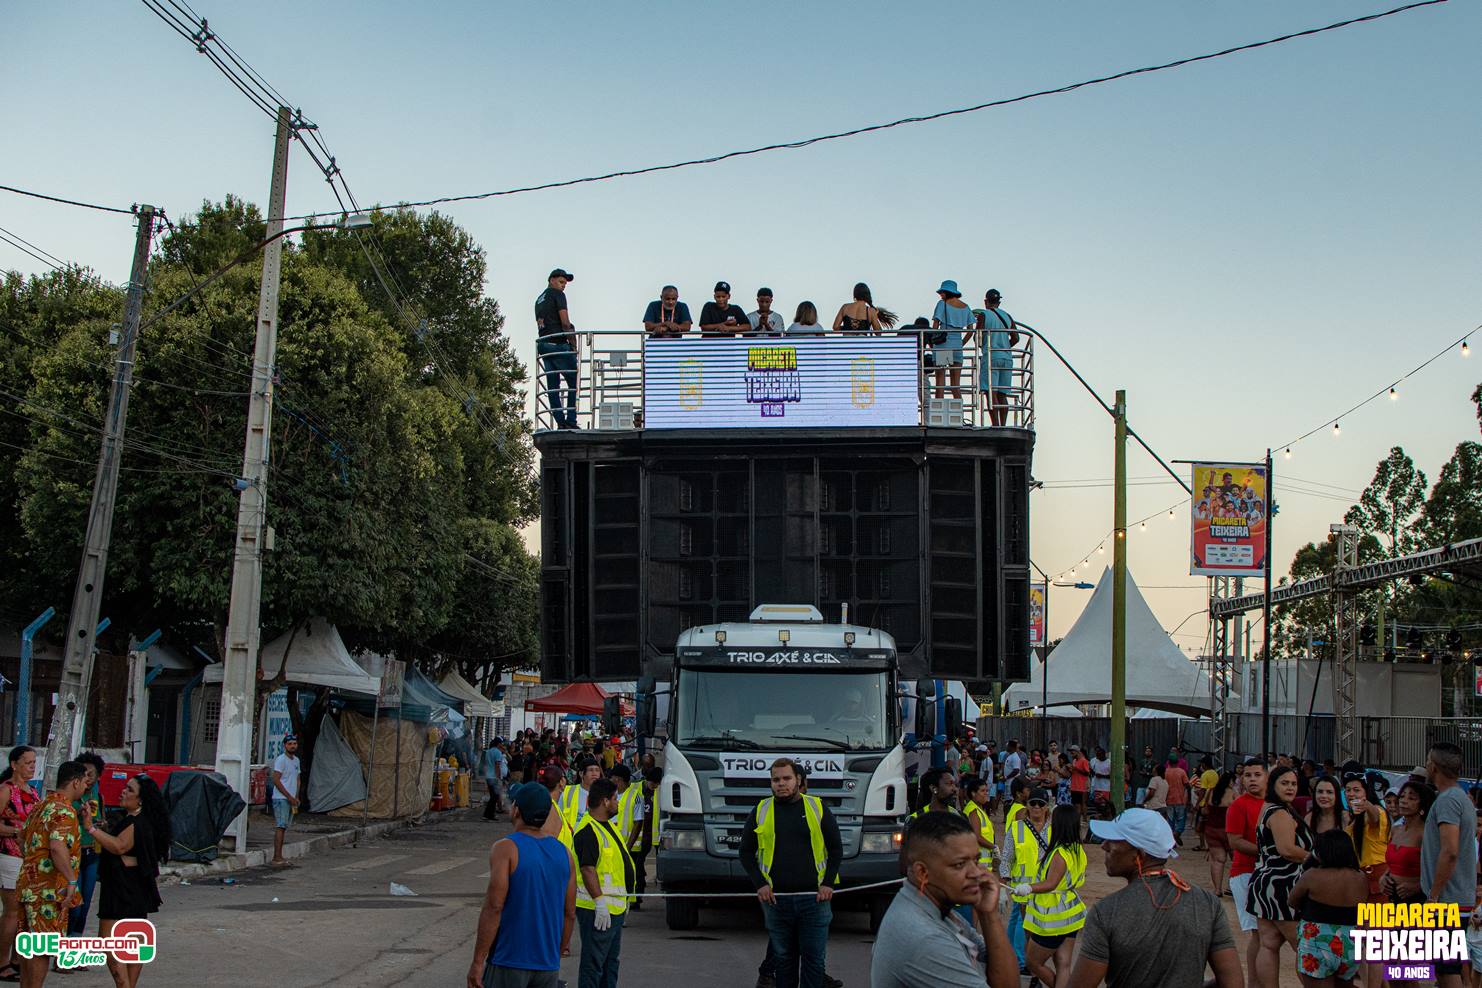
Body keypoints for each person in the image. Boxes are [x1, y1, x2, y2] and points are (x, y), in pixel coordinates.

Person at [1070, 808, 1241, 988]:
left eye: (1114, 840)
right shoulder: (1207, 903)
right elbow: (1233, 982)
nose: (1104, 846)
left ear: (1139, 855)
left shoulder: (1105, 912)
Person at [870, 811, 1019, 988]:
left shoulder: (937, 911)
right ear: (922, 873)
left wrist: (989, 915)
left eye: (976, 860)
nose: (976, 873)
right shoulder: (926, 939)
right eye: (959, 864)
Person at [739, 759, 842, 988]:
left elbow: (836, 849)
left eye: (786, 778)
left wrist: (827, 883)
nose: (781, 784)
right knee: (784, 961)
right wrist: (760, 884)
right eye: (775, 779)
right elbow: (745, 852)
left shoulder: (817, 807)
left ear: (798, 780)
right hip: (777, 902)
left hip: (814, 901)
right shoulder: (761, 810)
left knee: (814, 962)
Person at [467, 782, 577, 988]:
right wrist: (556, 953)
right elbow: (569, 912)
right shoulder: (565, 854)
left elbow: (494, 907)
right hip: (547, 965)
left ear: (516, 810)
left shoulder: (506, 848)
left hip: (509, 960)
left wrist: (478, 961)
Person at [84, 773, 170, 988]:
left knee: (109, 940)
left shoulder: (137, 822)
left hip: (122, 888)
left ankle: (124, 985)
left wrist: (91, 828)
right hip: (134, 887)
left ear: (140, 799)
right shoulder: (139, 820)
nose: (123, 792)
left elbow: (119, 846)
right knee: (133, 942)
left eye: (130, 789)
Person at [15, 759, 88, 988]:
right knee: (43, 949)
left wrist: (34, 862)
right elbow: (57, 847)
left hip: (28, 887)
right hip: (48, 891)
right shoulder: (65, 811)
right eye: (84, 783)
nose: (85, 788)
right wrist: (71, 879)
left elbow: (21, 838)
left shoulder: (41, 805)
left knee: (28, 948)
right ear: (75, 782)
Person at [1249, 764, 1313, 988]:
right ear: (1273, 785)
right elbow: (1287, 849)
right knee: (1303, 945)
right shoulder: (1279, 813)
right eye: (1284, 783)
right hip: (1283, 885)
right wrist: (1316, 858)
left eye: (1293, 783)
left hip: (1265, 882)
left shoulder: (1270, 808)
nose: (1290, 788)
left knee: (1268, 943)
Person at [1423, 742, 1477, 988]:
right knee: (1444, 966)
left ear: (1434, 766)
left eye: (1428, 760)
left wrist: (1433, 895)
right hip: (1454, 897)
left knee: (1446, 968)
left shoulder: (1449, 800)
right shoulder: (1459, 798)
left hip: (1447, 900)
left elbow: (1450, 851)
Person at [572, 779, 634, 988]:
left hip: (613, 908)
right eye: (615, 798)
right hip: (597, 911)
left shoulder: (607, 827)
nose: (618, 802)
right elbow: (587, 869)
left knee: (609, 964)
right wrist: (599, 903)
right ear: (605, 801)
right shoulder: (588, 831)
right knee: (594, 964)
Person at [1017, 804, 1085, 988]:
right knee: (1063, 964)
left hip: (1052, 917)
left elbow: (1051, 883)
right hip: (1070, 912)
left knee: (1032, 962)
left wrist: (1028, 888)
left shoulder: (1059, 853)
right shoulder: (1077, 849)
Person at [1289, 829, 1368, 988]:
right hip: (1350, 943)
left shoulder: (1312, 875)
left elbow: (1292, 901)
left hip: (1318, 941)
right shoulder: (1360, 877)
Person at [0, 745, 41, 982]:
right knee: (12, 911)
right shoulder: (6, 790)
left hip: (30, 858)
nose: (32, 767)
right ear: (15, 765)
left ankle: (17, 959)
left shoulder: (32, 791)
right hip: (10, 854)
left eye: (34, 763)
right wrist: (16, 831)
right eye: (27, 763)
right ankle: (2, 962)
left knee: (25, 912)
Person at [1001, 787, 1052, 973]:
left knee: (1020, 921)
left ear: (1047, 807)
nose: (1037, 807)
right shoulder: (1017, 828)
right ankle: (1021, 962)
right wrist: (1003, 887)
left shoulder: (1053, 829)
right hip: (1022, 887)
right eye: (1033, 803)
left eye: (1041, 804)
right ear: (1027, 805)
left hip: (1044, 887)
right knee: (1024, 924)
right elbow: (1007, 857)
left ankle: (1012, 957)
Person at [1227, 758, 1268, 980]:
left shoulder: (1273, 804)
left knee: (1267, 936)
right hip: (1246, 874)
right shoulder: (1239, 805)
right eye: (1248, 775)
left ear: (1266, 777)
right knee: (1259, 934)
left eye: (1257, 775)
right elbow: (1235, 841)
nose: (1252, 779)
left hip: (1268, 874)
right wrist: (1269, 852)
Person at [66, 752, 105, 946]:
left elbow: (100, 820)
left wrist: (101, 823)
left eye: (92, 774)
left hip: (92, 853)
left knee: (86, 903)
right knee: (75, 905)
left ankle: (75, 946)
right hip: (74, 853)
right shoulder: (72, 795)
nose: (88, 778)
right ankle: (64, 947)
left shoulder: (98, 795)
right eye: (84, 774)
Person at [535, 268, 579, 429]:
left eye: (565, 283)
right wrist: (573, 344)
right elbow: (565, 323)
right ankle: (571, 420)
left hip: (544, 344)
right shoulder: (558, 295)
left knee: (553, 386)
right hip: (558, 344)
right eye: (561, 282)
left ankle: (560, 422)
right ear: (551, 280)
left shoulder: (539, 299)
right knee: (573, 380)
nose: (563, 285)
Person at [969, 289, 1019, 426]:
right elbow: (1016, 337)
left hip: (991, 356)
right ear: (999, 302)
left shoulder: (984, 315)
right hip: (1007, 358)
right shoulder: (1008, 316)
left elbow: (977, 337)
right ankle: (1003, 424)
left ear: (986, 301)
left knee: (991, 393)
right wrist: (1005, 346)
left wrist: (984, 345)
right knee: (1003, 394)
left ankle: (995, 424)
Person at [1381, 779, 1433, 906]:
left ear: (1423, 805)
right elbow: (1393, 863)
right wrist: (1384, 877)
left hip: (1418, 901)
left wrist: (1418, 886)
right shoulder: (1395, 830)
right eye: (1402, 796)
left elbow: (1438, 868)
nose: (1403, 801)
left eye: (1411, 798)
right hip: (1393, 898)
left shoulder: (1426, 833)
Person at [1343, 774, 1390, 902]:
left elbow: (1375, 817)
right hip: (1358, 879)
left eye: (1356, 790)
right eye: (1348, 790)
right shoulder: (1352, 819)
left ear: (1366, 792)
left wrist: (1367, 805)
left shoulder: (1377, 810)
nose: (1351, 794)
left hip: (1376, 879)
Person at [929, 280, 974, 399]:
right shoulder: (966, 307)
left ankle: (939, 409)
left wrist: (932, 341)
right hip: (957, 347)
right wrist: (961, 343)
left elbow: (935, 325)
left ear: (947, 292)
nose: (940, 295)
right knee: (955, 385)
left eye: (942, 292)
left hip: (943, 346)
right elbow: (970, 330)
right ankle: (959, 409)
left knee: (940, 382)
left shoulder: (942, 304)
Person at [629, 767, 661, 901]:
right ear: (647, 780)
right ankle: (637, 895)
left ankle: (641, 892)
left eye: (657, 784)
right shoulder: (635, 789)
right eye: (652, 783)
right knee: (637, 865)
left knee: (643, 864)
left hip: (654, 836)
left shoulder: (661, 792)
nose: (654, 786)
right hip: (638, 835)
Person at [1204, 770, 1237, 897]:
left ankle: (1217, 889)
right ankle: (1231, 887)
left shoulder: (1211, 792)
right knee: (1236, 859)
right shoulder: (1233, 793)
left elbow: (1205, 811)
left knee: (1218, 860)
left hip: (1211, 830)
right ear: (1230, 781)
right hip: (1229, 830)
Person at [270, 734, 301, 867]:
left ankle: (279, 856)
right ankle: (277, 857)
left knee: (284, 827)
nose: (292, 746)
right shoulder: (281, 760)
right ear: (284, 746)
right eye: (290, 744)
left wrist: (296, 796)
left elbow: (298, 779)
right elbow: (276, 780)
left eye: (294, 743)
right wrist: (289, 796)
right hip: (281, 798)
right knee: (280, 826)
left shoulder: (296, 760)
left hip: (291, 799)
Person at [559, 759, 604, 831]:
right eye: (591, 770)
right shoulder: (568, 792)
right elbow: (558, 816)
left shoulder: (604, 794)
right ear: (581, 773)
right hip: (571, 836)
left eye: (597, 770)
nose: (595, 774)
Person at [963, 776, 996, 871]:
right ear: (973, 793)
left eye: (987, 790)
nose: (986, 793)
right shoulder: (973, 811)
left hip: (982, 863)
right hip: (979, 864)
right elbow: (976, 836)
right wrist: (993, 847)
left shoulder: (978, 809)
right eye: (982, 791)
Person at [1163, 755, 1190, 846]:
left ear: (1169, 762)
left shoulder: (1165, 772)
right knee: (1181, 819)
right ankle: (1177, 833)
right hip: (1180, 800)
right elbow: (1187, 785)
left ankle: (1172, 840)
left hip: (1168, 800)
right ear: (1177, 762)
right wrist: (1188, 799)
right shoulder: (1181, 772)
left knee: (1171, 821)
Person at [483, 739, 508, 821]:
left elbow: (486, 764)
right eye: (501, 743)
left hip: (488, 776)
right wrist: (498, 777)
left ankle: (489, 814)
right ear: (498, 744)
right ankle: (488, 814)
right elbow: (497, 765)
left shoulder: (488, 752)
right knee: (495, 796)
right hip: (494, 777)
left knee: (493, 796)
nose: (502, 745)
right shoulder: (497, 752)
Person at [1089, 748, 1112, 819]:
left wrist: (1102, 776)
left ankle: (1105, 817)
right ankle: (1098, 817)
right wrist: (1092, 772)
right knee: (1097, 803)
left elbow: (1112, 776)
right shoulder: (1096, 761)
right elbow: (1093, 771)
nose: (1097, 757)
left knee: (1105, 804)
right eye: (1097, 755)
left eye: (1099, 755)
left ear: (1103, 754)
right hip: (1097, 786)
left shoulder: (1109, 762)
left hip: (1106, 787)